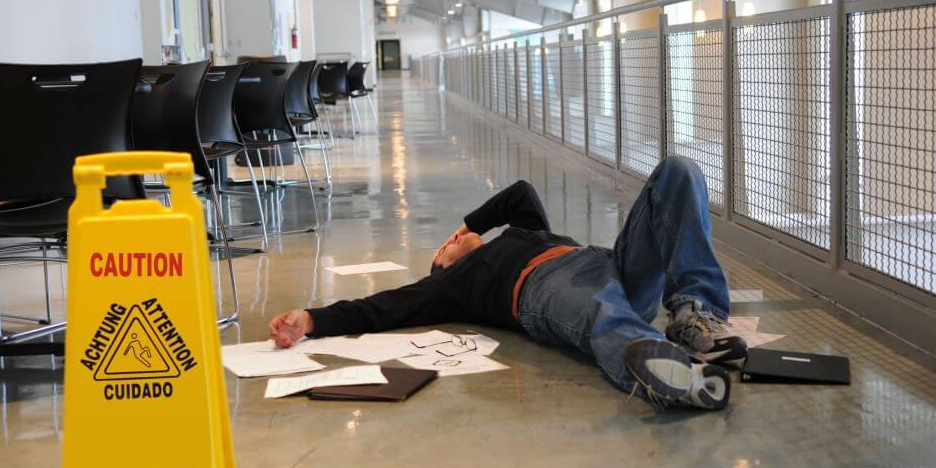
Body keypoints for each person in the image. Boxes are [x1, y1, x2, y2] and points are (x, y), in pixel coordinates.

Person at [269, 155, 746, 410]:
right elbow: (383, 306)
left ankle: (693, 314)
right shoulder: (453, 284)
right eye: (446, 246)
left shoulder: (524, 230)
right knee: (601, 312)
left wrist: (468, 223)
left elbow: (520, 192)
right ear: (442, 262)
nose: (453, 242)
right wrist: (311, 319)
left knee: (677, 171)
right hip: (547, 289)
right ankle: (671, 375)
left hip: (608, 263)